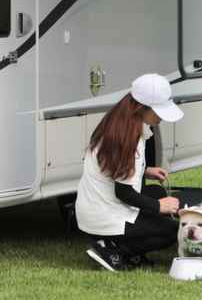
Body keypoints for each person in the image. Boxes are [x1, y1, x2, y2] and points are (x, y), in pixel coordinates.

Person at [76, 73, 184, 272]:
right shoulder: (129, 140)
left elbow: (113, 169)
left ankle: (129, 251)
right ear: (140, 107)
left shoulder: (119, 122)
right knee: (172, 232)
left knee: (157, 192)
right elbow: (123, 193)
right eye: (158, 111)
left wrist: (145, 171)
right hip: (105, 215)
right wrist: (159, 206)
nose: (161, 117)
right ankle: (112, 248)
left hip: (94, 208)